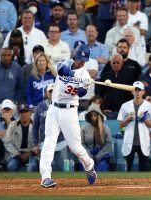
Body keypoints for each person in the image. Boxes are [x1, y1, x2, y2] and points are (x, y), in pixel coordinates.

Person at [39, 44, 97, 187]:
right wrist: (75, 75)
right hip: (53, 109)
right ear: (74, 56)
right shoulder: (65, 63)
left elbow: (81, 94)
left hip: (69, 112)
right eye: (79, 59)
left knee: (75, 147)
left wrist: (84, 85)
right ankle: (45, 177)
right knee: (49, 142)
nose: (81, 62)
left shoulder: (85, 75)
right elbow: (61, 70)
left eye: (83, 60)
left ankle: (89, 166)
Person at [117, 81, 151, 171]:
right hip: (129, 141)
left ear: (143, 92)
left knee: (144, 168)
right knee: (128, 168)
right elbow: (120, 125)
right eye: (135, 90)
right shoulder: (125, 106)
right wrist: (128, 119)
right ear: (132, 91)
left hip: (143, 141)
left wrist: (145, 119)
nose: (137, 92)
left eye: (139, 90)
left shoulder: (149, 106)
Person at [32, 83, 68, 171]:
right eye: (50, 91)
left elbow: (69, 125)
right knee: (46, 169)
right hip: (46, 142)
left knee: (61, 168)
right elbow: (35, 126)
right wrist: (35, 143)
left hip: (61, 143)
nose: (52, 93)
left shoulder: (64, 105)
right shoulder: (40, 107)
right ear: (46, 93)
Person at [0, 48, 25, 121]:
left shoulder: (17, 68)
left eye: (8, 55)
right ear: (0, 56)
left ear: (11, 56)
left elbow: (21, 87)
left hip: (10, 105)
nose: (6, 57)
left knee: (11, 128)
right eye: (4, 55)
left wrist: (16, 102)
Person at [4, 104, 39, 172]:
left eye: (26, 112)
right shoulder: (12, 125)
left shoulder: (36, 125)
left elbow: (40, 141)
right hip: (16, 155)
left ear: (30, 112)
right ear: (18, 114)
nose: (23, 114)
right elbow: (7, 142)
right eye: (21, 112)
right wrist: (18, 154)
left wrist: (32, 152)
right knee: (11, 166)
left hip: (32, 155)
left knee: (31, 168)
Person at [81, 103, 113, 171]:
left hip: (102, 156)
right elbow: (82, 144)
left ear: (99, 115)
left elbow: (108, 144)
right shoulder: (84, 128)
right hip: (87, 155)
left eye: (95, 115)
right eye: (91, 115)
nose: (93, 117)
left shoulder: (105, 128)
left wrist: (100, 155)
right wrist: (88, 155)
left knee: (102, 167)